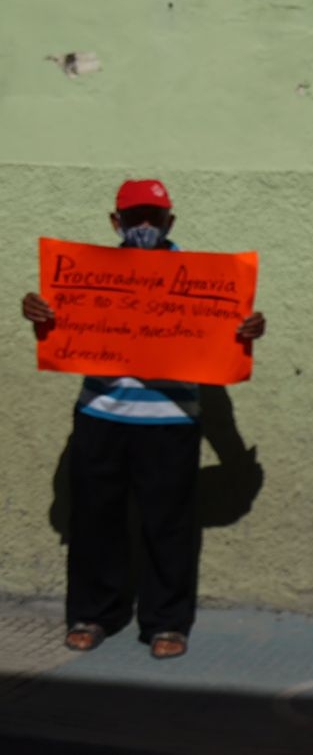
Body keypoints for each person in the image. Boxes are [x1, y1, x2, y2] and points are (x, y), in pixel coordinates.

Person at [20, 179, 267, 660]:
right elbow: (61, 331)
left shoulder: (203, 281)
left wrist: (246, 329)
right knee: (94, 520)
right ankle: (94, 614)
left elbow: (226, 338)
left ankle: (166, 622)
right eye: (135, 217)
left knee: (169, 525)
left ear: (171, 222)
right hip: (101, 414)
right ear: (117, 223)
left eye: (154, 217)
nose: (145, 226)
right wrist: (41, 314)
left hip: (171, 420)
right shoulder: (83, 275)